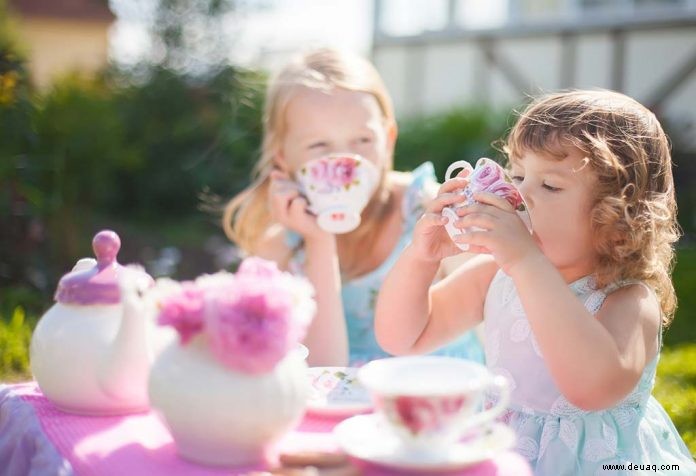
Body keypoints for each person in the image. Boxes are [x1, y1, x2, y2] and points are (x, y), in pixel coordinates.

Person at [375, 90, 696, 474]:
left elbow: (590, 389)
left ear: (619, 216)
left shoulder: (627, 299)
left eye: (550, 186)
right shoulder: (496, 274)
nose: (520, 196)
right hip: (507, 455)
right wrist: (420, 257)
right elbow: (403, 337)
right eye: (518, 175)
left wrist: (527, 262)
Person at [222, 48, 484, 367]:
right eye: (320, 145)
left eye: (362, 141)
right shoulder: (281, 247)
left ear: (388, 139)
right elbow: (321, 372)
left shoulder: (430, 212)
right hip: (342, 407)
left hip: (438, 396)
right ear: (282, 157)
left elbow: (492, 314)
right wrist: (319, 241)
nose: (347, 161)